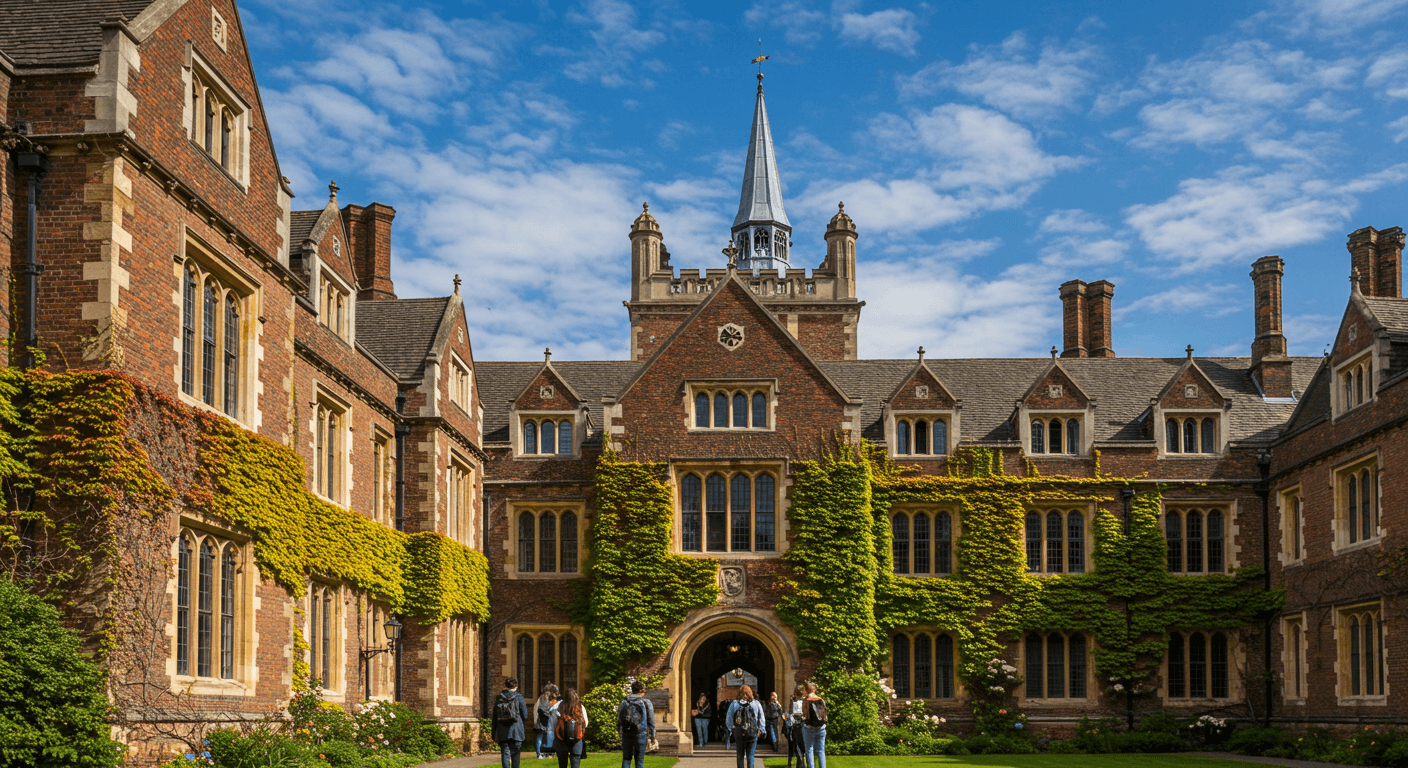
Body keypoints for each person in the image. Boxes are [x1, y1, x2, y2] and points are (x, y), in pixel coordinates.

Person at [615, 680, 655, 768]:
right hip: (641, 734)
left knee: (626, 759)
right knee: (639, 762)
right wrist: (652, 737)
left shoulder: (624, 702)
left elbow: (619, 719)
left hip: (627, 733)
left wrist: (620, 734)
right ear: (642, 691)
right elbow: (651, 721)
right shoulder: (646, 702)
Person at [493, 677, 530, 768]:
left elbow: (494, 716)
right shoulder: (519, 697)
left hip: (502, 730)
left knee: (505, 753)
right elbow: (525, 715)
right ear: (516, 686)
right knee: (516, 754)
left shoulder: (499, 698)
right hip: (516, 730)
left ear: (505, 685)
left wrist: (493, 733)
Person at [550, 688, 589, 768]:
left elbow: (553, 724)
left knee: (562, 764)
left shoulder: (558, 706)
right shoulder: (580, 707)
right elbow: (586, 723)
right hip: (576, 739)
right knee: (575, 764)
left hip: (561, 739)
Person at [729, 684, 766, 768]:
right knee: (750, 755)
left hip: (739, 732)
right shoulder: (756, 704)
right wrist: (761, 729)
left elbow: (729, 718)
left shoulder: (734, 704)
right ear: (750, 693)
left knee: (740, 755)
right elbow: (761, 718)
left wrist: (732, 729)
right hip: (753, 732)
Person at [801, 681, 828, 768]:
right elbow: (825, 716)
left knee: (809, 750)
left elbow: (805, 715)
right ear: (814, 690)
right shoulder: (820, 700)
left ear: (806, 690)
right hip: (821, 728)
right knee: (821, 751)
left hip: (810, 728)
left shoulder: (806, 700)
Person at [535, 683, 559, 759]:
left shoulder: (541, 698)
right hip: (544, 722)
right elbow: (547, 711)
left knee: (540, 738)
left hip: (541, 722)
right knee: (543, 738)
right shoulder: (546, 699)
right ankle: (542, 754)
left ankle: (542, 754)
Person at [786, 685, 806, 768]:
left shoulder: (805, 700)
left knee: (802, 746)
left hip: (803, 724)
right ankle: (800, 763)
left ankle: (802, 763)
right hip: (795, 724)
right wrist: (791, 719)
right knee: (796, 745)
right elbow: (791, 712)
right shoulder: (793, 700)